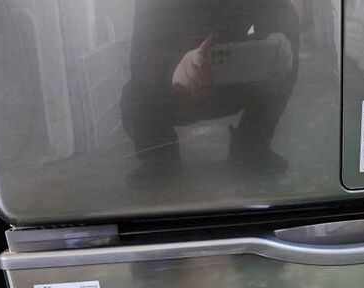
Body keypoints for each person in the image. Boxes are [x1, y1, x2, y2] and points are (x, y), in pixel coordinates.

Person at [121, 0, 300, 181]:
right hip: (179, 89)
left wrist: (279, 37)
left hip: (234, 81)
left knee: (283, 58)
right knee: (136, 95)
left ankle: (252, 145)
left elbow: (280, 11)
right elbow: (141, 60)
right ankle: (159, 157)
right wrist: (172, 70)